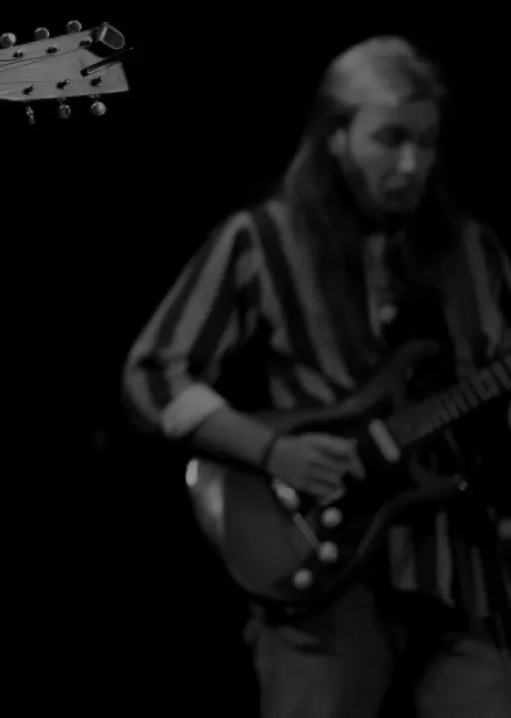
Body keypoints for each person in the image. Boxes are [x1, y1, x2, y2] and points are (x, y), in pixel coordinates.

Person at [123, 36, 511, 717]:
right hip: (323, 592)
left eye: (426, 142)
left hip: (462, 570)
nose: (413, 164)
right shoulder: (263, 240)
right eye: (390, 140)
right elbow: (153, 376)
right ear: (336, 136)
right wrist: (273, 451)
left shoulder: (476, 255)